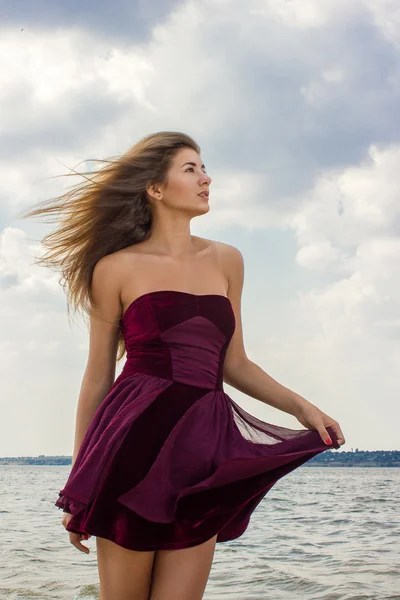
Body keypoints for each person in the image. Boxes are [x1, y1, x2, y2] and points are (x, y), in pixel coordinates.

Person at [21, 131, 345, 600]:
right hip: (131, 448)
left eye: (205, 167)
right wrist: (80, 484)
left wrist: (303, 410)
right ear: (155, 188)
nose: (206, 179)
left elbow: (234, 361)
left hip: (200, 454)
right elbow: (97, 378)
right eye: (190, 169)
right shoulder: (115, 267)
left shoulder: (227, 260)